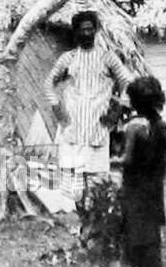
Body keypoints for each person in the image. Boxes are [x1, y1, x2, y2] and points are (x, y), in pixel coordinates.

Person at [45, 10, 135, 199]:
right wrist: (57, 108)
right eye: (82, 30)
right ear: (76, 32)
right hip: (73, 124)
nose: (86, 34)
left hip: (97, 125)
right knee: (72, 183)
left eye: (90, 29)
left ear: (96, 30)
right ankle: (77, 220)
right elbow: (49, 83)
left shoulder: (107, 57)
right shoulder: (68, 58)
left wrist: (118, 108)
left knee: (96, 181)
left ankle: (94, 221)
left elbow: (127, 81)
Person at [121, 76, 166, 267]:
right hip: (154, 186)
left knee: (138, 235)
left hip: (136, 186)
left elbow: (129, 160)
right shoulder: (161, 126)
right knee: (152, 236)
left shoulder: (134, 128)